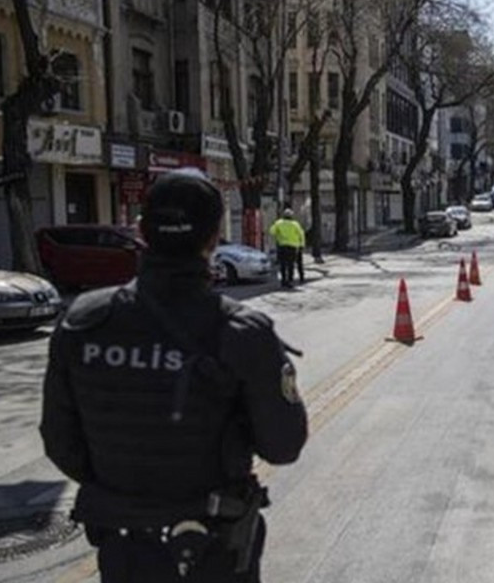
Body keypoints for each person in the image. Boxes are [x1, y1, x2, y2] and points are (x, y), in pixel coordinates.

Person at [40, 169, 308, 582]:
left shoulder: (84, 323)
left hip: (125, 546)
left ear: (142, 231)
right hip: (215, 547)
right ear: (214, 237)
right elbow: (284, 445)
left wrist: (126, 486)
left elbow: (60, 441)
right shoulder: (240, 332)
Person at [268, 209, 305, 289]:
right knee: (291, 265)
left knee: (283, 264)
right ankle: (290, 281)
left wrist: (278, 234)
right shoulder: (295, 224)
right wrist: (301, 245)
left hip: (282, 246)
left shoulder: (279, 223)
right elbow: (301, 234)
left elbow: (271, 232)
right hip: (293, 247)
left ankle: (283, 280)